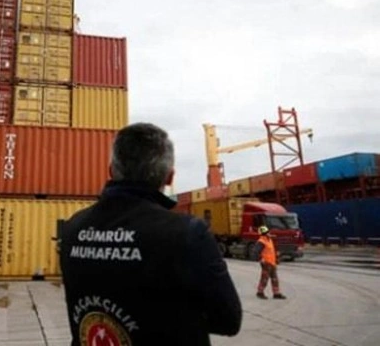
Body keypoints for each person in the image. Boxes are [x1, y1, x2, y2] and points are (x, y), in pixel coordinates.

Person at [58, 123, 242, 346]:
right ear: (169, 177)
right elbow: (228, 320)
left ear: (111, 170)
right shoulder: (187, 233)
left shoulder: (72, 228)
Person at [254, 225, 287, 300]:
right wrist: (260, 259)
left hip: (272, 263)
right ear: (264, 233)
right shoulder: (261, 241)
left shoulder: (269, 240)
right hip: (266, 263)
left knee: (275, 279)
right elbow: (255, 252)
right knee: (264, 279)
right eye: (267, 232)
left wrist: (277, 258)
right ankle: (260, 292)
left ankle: (276, 293)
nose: (268, 233)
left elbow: (271, 251)